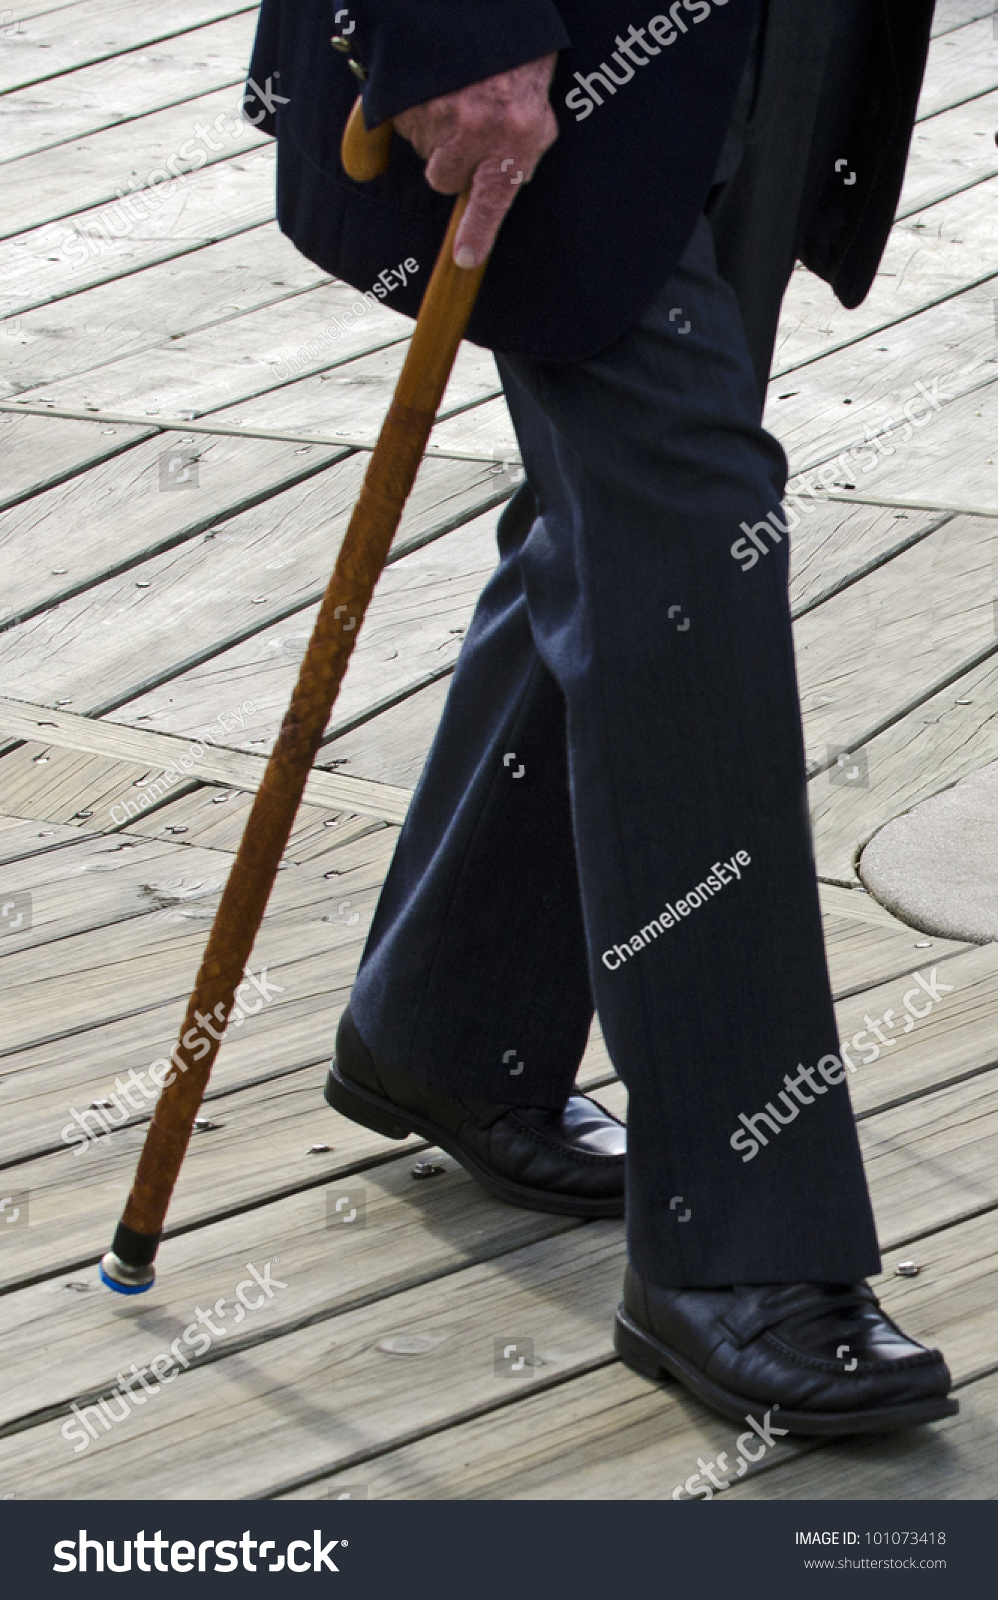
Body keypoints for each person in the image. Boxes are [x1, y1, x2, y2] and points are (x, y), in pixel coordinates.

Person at [248, 0, 956, 1436]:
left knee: (636, 515)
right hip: (562, 36)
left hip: (770, 37)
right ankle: (741, 1246)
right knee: (690, 535)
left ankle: (451, 1023)